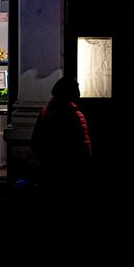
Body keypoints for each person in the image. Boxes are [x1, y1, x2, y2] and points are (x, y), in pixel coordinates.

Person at [30, 76, 94, 209]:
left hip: (50, 166)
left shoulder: (46, 111)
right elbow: (84, 142)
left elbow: (36, 140)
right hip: (71, 167)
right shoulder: (74, 113)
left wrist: (45, 159)